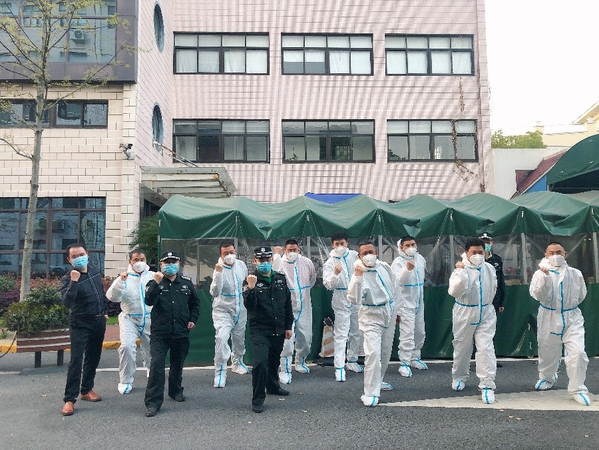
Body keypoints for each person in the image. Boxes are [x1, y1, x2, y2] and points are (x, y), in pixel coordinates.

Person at [529, 242, 591, 406]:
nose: (555, 255)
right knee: (548, 350)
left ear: (565, 254)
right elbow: (537, 295)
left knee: (578, 352)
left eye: (558, 252)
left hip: (572, 316)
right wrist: (544, 278)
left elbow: (581, 294)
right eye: (552, 253)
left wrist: (568, 307)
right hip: (549, 315)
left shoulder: (575, 273)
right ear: (546, 255)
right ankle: (547, 377)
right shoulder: (539, 274)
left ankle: (578, 388)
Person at [144, 251, 200, 417]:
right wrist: (156, 283)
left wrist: (193, 319)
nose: (170, 265)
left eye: (173, 262)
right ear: (161, 265)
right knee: (157, 366)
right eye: (167, 262)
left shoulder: (186, 284)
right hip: (160, 333)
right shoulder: (154, 283)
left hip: (181, 331)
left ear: (178, 264)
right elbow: (149, 301)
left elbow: (195, 303)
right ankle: (153, 403)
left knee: (177, 363)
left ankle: (175, 390)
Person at [348, 241, 401, 407]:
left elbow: (395, 288)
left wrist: (397, 311)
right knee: (373, 353)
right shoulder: (358, 273)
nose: (369, 255)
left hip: (388, 311)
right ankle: (370, 392)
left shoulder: (384, 267)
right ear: (359, 256)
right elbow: (354, 298)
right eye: (365, 253)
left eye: (371, 252)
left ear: (376, 253)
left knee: (385, 350)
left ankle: (379, 380)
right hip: (370, 315)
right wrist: (357, 278)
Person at [60, 243, 108, 416]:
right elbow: (67, 302)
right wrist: (74, 281)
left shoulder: (94, 270)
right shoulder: (68, 278)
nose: (79, 258)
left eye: (81, 254)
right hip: (80, 323)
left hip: (98, 321)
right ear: (69, 260)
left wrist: (105, 311)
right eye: (75, 256)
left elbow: (100, 293)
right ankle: (69, 400)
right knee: (76, 360)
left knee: (93, 356)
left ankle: (87, 389)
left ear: (87, 254)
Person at [243, 246, 294, 413]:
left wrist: (288, 326)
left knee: (273, 360)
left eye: (267, 260)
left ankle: (273, 386)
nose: (264, 263)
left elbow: (287, 304)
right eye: (261, 260)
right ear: (255, 261)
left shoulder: (280, 278)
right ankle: (258, 399)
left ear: (272, 260)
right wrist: (251, 289)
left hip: (278, 328)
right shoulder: (250, 280)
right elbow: (249, 306)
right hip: (260, 329)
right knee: (260, 363)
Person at [448, 238, 498, 405]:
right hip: (465, 311)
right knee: (462, 346)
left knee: (486, 347)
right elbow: (455, 292)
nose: (477, 255)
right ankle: (459, 376)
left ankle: (487, 384)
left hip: (486, 311)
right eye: (474, 252)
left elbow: (493, 287)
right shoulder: (460, 269)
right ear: (466, 253)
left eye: (480, 252)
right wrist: (461, 273)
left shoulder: (489, 268)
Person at [106, 248, 154, 395]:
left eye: (142, 260)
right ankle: (125, 380)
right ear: (130, 261)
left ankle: (151, 371)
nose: (139, 263)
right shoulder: (124, 278)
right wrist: (120, 282)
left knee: (151, 348)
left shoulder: (152, 276)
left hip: (149, 317)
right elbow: (112, 297)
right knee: (126, 347)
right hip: (129, 318)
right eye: (136, 260)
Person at [272, 239, 316, 384]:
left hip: (304, 305)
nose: (292, 252)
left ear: (299, 250)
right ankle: (285, 370)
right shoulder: (280, 262)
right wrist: (276, 256)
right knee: (287, 341)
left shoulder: (307, 262)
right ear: (285, 250)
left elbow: (312, 279)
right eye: (289, 250)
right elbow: (273, 273)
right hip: (287, 306)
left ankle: (300, 361)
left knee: (306, 338)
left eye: (294, 250)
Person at [323, 232, 363, 382]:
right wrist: (335, 274)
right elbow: (328, 285)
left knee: (357, 331)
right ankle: (339, 367)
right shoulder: (330, 263)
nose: (340, 246)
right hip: (340, 299)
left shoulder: (354, 256)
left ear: (347, 243)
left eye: (342, 243)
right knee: (341, 334)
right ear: (332, 245)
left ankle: (352, 360)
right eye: (337, 244)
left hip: (356, 297)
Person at [210, 242, 249, 388]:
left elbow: (245, 283)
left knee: (239, 339)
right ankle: (220, 371)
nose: (229, 255)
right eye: (226, 253)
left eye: (231, 252)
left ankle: (237, 362)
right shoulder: (218, 269)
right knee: (221, 338)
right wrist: (218, 274)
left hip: (240, 309)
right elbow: (214, 292)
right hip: (223, 310)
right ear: (220, 255)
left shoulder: (241, 265)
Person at [391, 236, 427, 378]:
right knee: (407, 333)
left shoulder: (420, 259)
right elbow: (398, 282)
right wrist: (407, 269)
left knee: (420, 331)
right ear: (401, 247)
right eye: (408, 245)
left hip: (418, 302)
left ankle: (415, 357)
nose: (411, 247)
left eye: (413, 244)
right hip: (405, 303)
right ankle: (404, 363)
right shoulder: (397, 262)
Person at [479, 232, 506, 367]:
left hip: (493, 300)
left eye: (488, 242)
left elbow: (500, 281)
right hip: (477, 301)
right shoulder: (474, 260)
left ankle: (490, 359)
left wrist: (501, 301)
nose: (486, 244)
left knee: (489, 330)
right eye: (483, 241)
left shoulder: (497, 260)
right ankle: (475, 359)